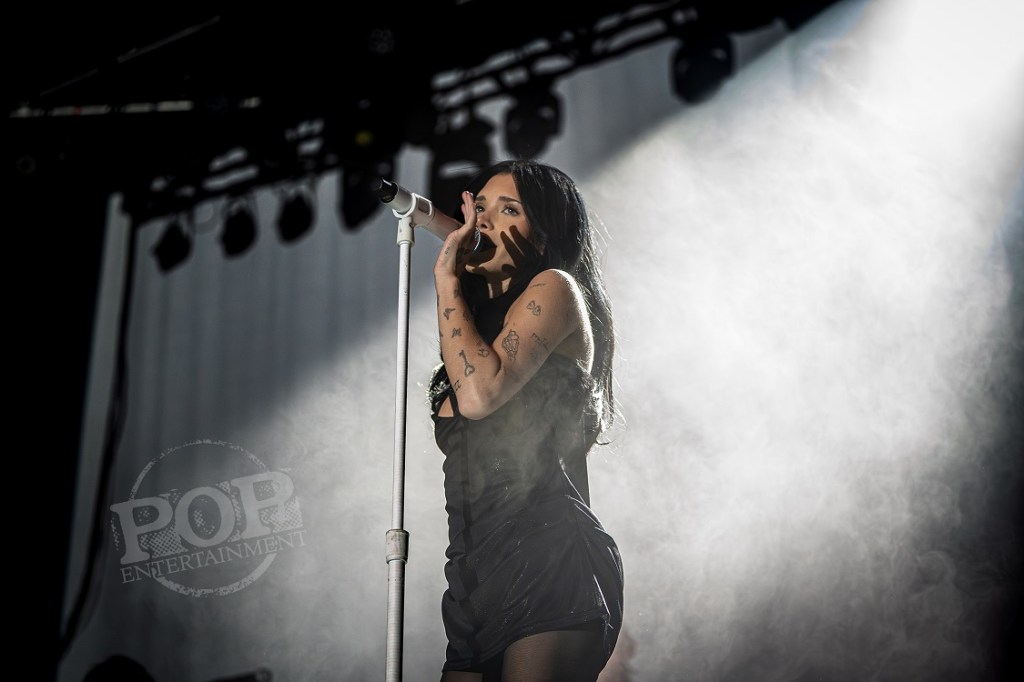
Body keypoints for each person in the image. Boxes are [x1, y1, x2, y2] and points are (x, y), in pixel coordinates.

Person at [428, 159, 624, 681]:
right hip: (473, 574)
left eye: (509, 210)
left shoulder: (556, 288)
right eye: (479, 207)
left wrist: (446, 281)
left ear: (542, 236)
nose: (485, 221)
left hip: (548, 555)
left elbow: (479, 396)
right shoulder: (477, 332)